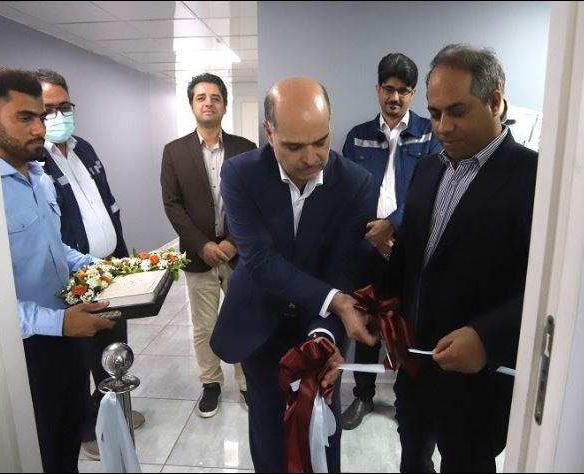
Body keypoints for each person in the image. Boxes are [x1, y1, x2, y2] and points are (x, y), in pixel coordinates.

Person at [210, 77, 379, 472]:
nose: (311, 157)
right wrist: (337, 301)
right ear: (269, 132)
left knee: (321, 431)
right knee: (269, 433)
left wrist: (324, 337)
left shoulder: (355, 183)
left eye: (320, 141)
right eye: (294, 146)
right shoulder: (240, 174)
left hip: (321, 327)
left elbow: (343, 268)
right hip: (259, 326)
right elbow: (260, 260)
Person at [383, 44, 537, 472]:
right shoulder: (427, 170)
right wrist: (378, 305)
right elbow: (412, 259)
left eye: (457, 111)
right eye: (434, 114)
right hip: (416, 366)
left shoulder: (534, 178)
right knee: (412, 458)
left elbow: (545, 289)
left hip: (478, 383)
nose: (443, 127)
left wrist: (488, 337)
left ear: (494, 100)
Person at [0, 66, 116, 472]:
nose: (39, 128)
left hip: (67, 336)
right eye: (24, 117)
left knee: (67, 445)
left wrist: (100, 267)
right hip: (24, 350)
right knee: (40, 453)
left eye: (41, 117)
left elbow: (54, 247)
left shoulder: (40, 177)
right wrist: (59, 324)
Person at [34, 69, 141, 461]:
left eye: (65, 106)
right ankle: (87, 429)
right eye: (48, 109)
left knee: (111, 346)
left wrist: (124, 263)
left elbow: (108, 204)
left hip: (109, 267)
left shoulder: (85, 149)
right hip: (75, 279)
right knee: (80, 355)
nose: (59, 116)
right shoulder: (36, 161)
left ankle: (113, 409)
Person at [341, 53, 442, 430]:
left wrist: (392, 227)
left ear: (413, 94)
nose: (394, 97)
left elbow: (430, 191)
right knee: (366, 323)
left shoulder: (430, 134)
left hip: (409, 250)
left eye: (403, 90)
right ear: (378, 89)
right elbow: (348, 192)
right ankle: (364, 395)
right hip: (367, 248)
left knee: (408, 324)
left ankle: (406, 399)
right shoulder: (358, 136)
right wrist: (375, 234)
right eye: (388, 88)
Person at [161, 73, 256, 418]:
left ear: (225, 105)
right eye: (201, 97)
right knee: (204, 326)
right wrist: (202, 245)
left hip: (238, 254)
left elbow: (256, 201)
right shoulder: (174, 152)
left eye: (215, 97)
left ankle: (246, 382)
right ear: (192, 105)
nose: (208, 103)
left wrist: (233, 242)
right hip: (198, 255)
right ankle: (211, 382)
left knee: (243, 320)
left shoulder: (247, 149)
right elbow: (173, 205)